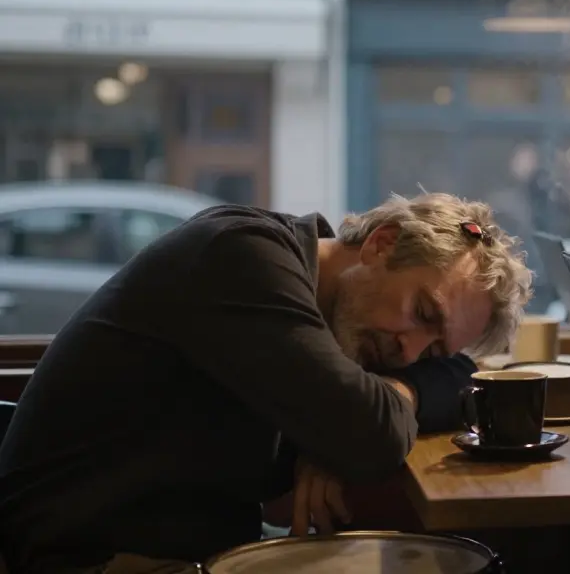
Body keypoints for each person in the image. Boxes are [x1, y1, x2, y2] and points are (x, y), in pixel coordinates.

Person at [0, 192, 534, 574]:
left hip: (181, 545)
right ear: (382, 244)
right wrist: (373, 411)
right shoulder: (245, 258)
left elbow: (460, 377)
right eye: (423, 312)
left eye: (433, 347)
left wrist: (352, 423)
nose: (408, 351)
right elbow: (368, 433)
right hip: (90, 558)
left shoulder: (330, 312)